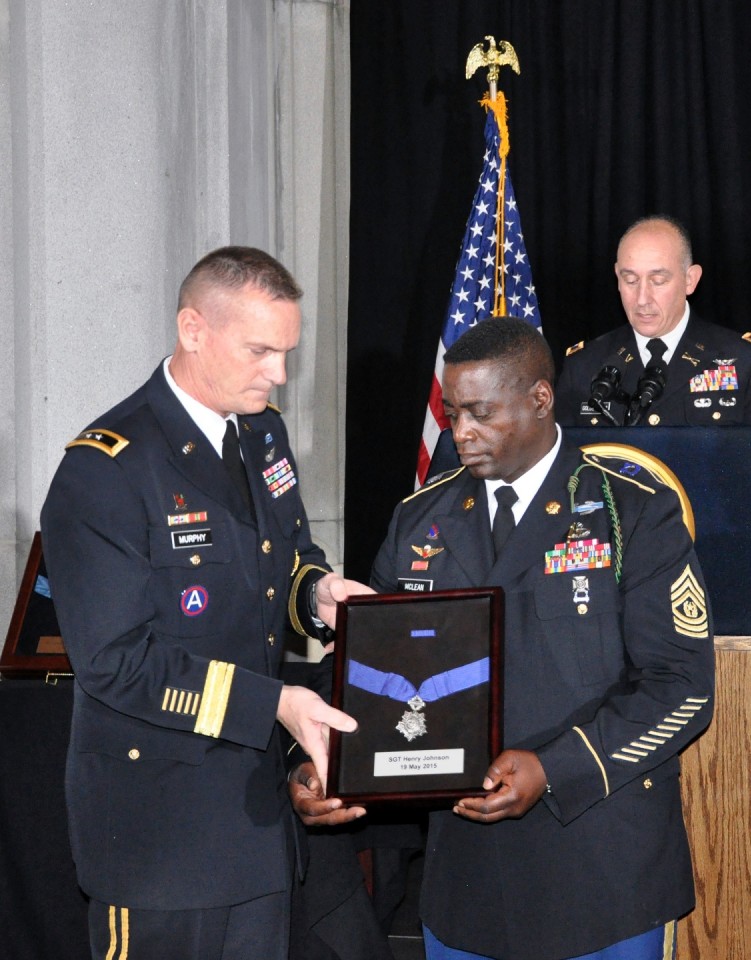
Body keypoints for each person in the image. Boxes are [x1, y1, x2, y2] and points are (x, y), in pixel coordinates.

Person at [294, 316, 715, 960]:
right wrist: (324, 762)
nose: (461, 433)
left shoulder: (632, 511)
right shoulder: (419, 520)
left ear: (540, 400)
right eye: (453, 412)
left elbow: (682, 687)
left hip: (600, 866)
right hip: (468, 883)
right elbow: (368, 670)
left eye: (481, 413)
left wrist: (556, 768)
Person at [40, 246, 368, 960]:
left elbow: (285, 559)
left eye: (286, 352)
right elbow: (114, 664)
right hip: (159, 835)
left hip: (256, 825)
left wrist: (318, 596)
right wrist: (274, 704)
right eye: (260, 351)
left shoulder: (262, 432)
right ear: (193, 329)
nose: (279, 373)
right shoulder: (106, 470)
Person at [556, 216, 751, 427]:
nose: (642, 298)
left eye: (658, 281)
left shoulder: (745, 362)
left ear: (690, 280)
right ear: (617, 277)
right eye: (630, 280)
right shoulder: (584, 367)